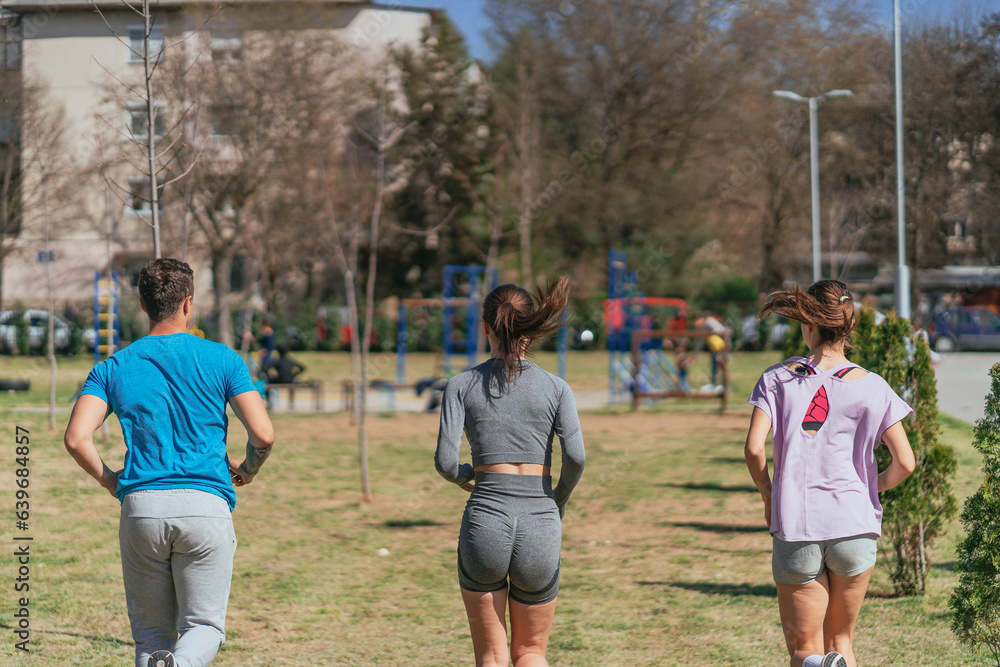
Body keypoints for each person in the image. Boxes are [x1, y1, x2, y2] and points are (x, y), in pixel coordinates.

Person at [64, 258, 275, 667]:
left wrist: (112, 482)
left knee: (150, 638)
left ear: (142, 305)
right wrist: (247, 469)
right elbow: (264, 434)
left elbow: (76, 439)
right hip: (205, 507)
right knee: (203, 628)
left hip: (142, 509)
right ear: (188, 303)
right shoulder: (224, 359)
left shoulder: (113, 367)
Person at [744, 279, 916, 667]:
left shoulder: (776, 379)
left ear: (808, 324)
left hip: (797, 526)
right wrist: (868, 487)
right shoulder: (874, 386)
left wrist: (769, 493)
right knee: (841, 641)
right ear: (850, 325)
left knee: (805, 649)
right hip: (854, 526)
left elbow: (754, 448)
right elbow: (905, 462)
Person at [435, 279, 585, 667]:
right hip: (540, 520)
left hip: (485, 520)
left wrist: (464, 474)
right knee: (531, 653)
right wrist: (559, 500)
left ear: (485, 326)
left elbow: (445, 462)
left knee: (491, 654)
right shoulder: (557, 388)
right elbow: (577, 457)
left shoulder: (460, 385)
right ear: (530, 328)